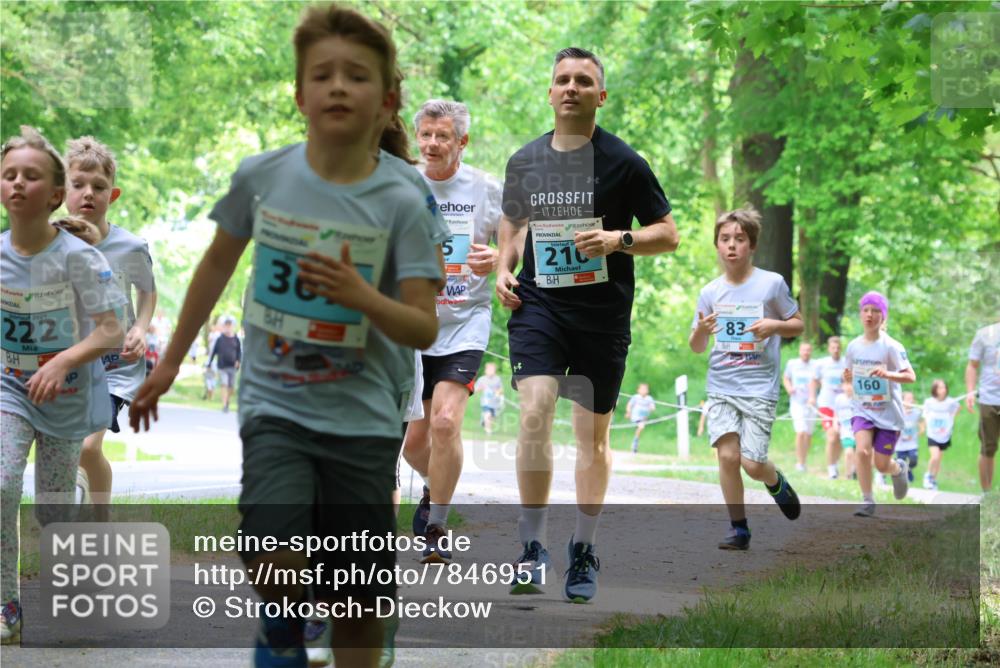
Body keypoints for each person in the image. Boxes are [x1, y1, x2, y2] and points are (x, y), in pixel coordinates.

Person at [128, 6, 442, 666]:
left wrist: (359, 297)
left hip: (364, 416)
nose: (336, 86)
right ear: (299, 94)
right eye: (320, 74)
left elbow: (422, 323)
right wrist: (167, 363)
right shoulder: (263, 176)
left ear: (386, 102)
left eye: (355, 75)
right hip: (277, 404)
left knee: (358, 605)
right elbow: (216, 265)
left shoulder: (405, 199)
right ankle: (284, 628)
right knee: (274, 555)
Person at [495, 47, 679, 602]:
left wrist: (618, 239)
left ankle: (583, 548)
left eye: (583, 80)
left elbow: (667, 233)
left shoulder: (625, 162)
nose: (570, 88)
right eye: (561, 80)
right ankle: (531, 547)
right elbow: (512, 220)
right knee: (534, 412)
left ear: (601, 95)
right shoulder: (524, 161)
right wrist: (504, 266)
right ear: (549, 93)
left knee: (591, 440)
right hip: (540, 307)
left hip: (602, 316)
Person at [1, 126, 124, 644]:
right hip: (9, 391)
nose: (18, 184)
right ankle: (8, 604)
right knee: (3, 485)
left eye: (31, 176)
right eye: (9, 175)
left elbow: (112, 329)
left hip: (68, 399)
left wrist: (62, 362)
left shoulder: (80, 257)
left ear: (54, 194)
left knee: (53, 515)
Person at [401, 98, 501, 564]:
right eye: (426, 134)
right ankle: (433, 486)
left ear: (462, 142)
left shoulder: (485, 188)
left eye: (443, 136)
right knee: (414, 444)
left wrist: (502, 259)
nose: (433, 144)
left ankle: (437, 525)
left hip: (466, 322)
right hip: (413, 325)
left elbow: (519, 239)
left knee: (446, 423)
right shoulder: (403, 185)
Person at [690, 207, 803, 551]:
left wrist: (775, 326)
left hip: (759, 387)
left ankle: (775, 480)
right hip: (722, 385)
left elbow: (797, 323)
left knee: (752, 464)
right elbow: (696, 347)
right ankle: (739, 529)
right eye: (725, 239)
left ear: (751, 245)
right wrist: (702, 330)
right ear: (717, 246)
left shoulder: (771, 284)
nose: (732, 246)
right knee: (727, 457)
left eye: (739, 239)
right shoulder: (710, 292)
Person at [64, 136, 157, 522]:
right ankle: (96, 513)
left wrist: (140, 327)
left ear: (112, 194)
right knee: (77, 449)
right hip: (69, 360)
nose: (88, 194)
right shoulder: (49, 244)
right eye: (78, 185)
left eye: (98, 187)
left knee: (88, 445)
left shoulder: (131, 246)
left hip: (117, 365)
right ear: (61, 190)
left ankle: (98, 517)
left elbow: (147, 293)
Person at [843, 292, 915, 517]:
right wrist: (848, 380)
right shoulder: (853, 346)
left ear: (883, 317)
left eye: (875, 311)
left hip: (888, 413)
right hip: (862, 408)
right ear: (860, 314)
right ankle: (867, 500)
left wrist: (887, 374)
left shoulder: (892, 346)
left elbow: (910, 376)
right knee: (862, 451)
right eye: (866, 310)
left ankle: (898, 468)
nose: (870, 315)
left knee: (881, 464)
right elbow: (849, 378)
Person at [966, 322, 1000, 493]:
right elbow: (972, 365)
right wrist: (970, 392)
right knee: (988, 446)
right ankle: (986, 493)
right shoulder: (985, 334)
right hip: (989, 399)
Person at [810, 336, 846, 479]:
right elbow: (813, 381)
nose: (836, 350)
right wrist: (812, 396)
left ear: (841, 349)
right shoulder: (821, 363)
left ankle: (835, 463)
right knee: (832, 435)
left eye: (838, 348)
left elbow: (852, 382)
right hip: (826, 404)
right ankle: (831, 469)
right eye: (833, 347)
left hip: (843, 406)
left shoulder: (846, 363)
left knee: (841, 437)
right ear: (829, 348)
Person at [921, 379, 961, 491]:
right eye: (940, 387)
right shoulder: (929, 402)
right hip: (932, 434)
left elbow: (958, 408)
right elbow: (925, 414)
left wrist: (951, 418)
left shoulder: (950, 402)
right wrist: (923, 427)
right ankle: (927, 476)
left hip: (944, 434)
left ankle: (933, 480)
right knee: (935, 456)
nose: (943, 390)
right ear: (935, 389)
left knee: (939, 459)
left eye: (944, 387)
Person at [783, 341, 816, 473]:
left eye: (808, 350)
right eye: (803, 350)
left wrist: (813, 396)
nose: (806, 352)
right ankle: (800, 463)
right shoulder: (792, 363)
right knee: (801, 432)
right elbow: (785, 378)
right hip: (797, 402)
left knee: (808, 434)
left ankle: (804, 460)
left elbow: (818, 381)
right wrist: (789, 388)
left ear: (811, 352)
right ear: (799, 351)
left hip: (810, 403)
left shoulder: (815, 365)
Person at [207, 316, 241, 413]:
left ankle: (227, 401)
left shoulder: (236, 339)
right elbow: (214, 352)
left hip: (232, 366)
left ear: (233, 326)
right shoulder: (220, 339)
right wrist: (209, 363)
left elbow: (239, 352)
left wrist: (238, 361)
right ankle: (224, 404)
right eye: (226, 325)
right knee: (224, 384)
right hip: (222, 366)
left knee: (231, 386)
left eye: (230, 325)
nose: (228, 327)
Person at [895, 391, 921, 484]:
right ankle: (905, 476)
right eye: (908, 399)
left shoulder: (917, 412)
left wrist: (921, 430)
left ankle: (909, 469)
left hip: (912, 444)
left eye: (912, 399)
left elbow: (922, 421)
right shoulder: (898, 412)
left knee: (913, 460)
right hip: (900, 444)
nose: (910, 401)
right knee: (901, 463)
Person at [834, 379, 857, 479]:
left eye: (851, 384)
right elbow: (835, 413)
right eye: (847, 384)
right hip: (845, 431)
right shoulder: (839, 399)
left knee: (858, 455)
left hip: (858, 431)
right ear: (842, 385)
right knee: (848, 452)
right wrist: (835, 424)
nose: (849, 387)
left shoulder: (859, 399)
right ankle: (848, 475)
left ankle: (856, 471)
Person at [625, 382, 655, 453]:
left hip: (644, 418)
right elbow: (629, 405)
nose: (644, 391)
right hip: (636, 417)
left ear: (648, 391)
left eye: (645, 389)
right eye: (642, 389)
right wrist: (628, 412)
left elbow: (652, 407)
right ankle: (635, 444)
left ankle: (635, 445)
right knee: (641, 427)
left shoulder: (649, 398)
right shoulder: (636, 397)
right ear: (638, 390)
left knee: (640, 428)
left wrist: (651, 408)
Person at [474, 361, 504, 434]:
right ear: (486, 370)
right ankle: (488, 430)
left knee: (492, 416)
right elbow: (475, 389)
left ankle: (483, 421)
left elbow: (501, 389)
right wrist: (481, 388)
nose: (491, 371)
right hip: (485, 401)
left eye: (492, 370)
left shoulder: (497, 379)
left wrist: (498, 392)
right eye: (489, 370)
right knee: (488, 414)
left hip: (494, 401)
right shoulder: (482, 379)